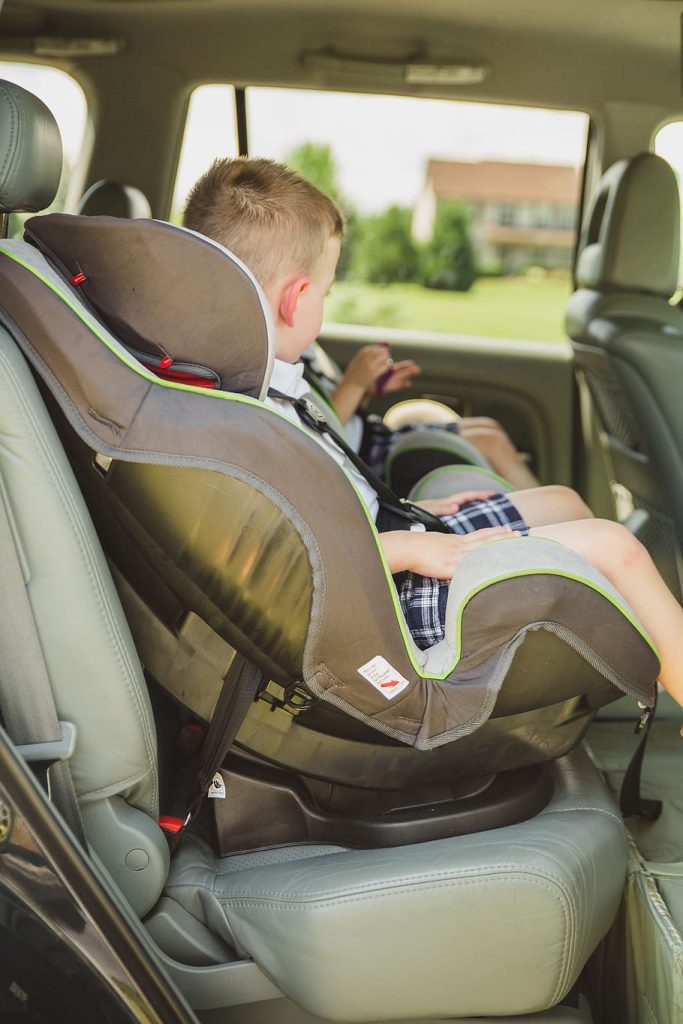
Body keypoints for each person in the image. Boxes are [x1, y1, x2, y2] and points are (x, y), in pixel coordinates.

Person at [183, 156, 683, 704]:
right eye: (325, 293)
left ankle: (600, 659)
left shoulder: (264, 385)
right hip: (380, 606)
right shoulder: (252, 413)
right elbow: (282, 554)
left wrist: (413, 520)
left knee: (564, 502)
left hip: (382, 554)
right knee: (617, 547)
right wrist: (409, 548)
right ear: (296, 298)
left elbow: (326, 498)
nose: (322, 304)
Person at [305, 340, 540, 489]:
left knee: (489, 428)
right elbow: (320, 431)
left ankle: (537, 504)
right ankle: (546, 516)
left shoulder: (307, 352)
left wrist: (367, 390)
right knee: (491, 442)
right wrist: (354, 383)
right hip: (362, 459)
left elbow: (338, 412)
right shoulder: (285, 367)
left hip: (373, 435)